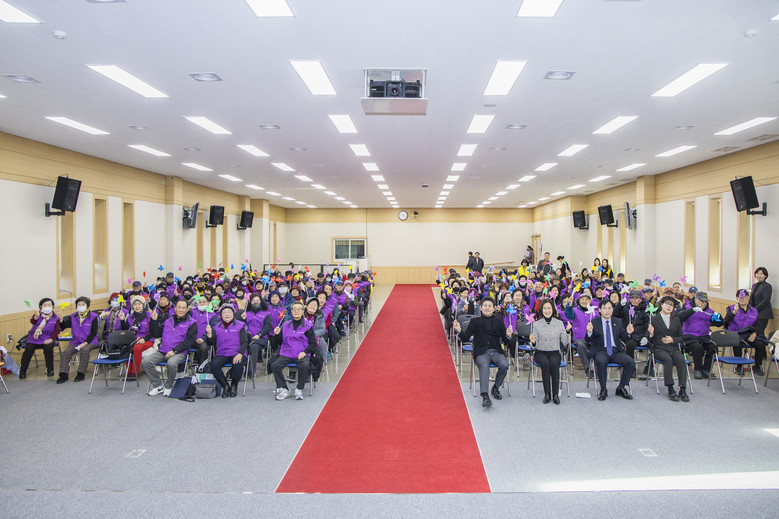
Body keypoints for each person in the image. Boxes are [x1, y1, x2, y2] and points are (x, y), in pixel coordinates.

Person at [453, 297, 513, 408]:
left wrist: (509, 335)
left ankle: (495, 388)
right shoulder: (475, 321)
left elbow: (506, 341)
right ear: (481, 308)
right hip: (481, 352)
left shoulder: (499, 323)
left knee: (504, 365)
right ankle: (485, 396)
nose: (487, 308)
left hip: (496, 351)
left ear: (494, 309)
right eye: (485, 306)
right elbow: (465, 338)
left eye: (490, 306)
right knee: (484, 366)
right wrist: (459, 330)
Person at [142, 299, 197, 396]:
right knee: (146, 362)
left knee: (171, 364)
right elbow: (156, 334)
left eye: (183, 308)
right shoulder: (168, 321)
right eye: (179, 307)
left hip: (179, 352)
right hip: (163, 351)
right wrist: (154, 321)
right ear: (175, 309)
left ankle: (168, 386)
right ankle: (158, 385)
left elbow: (189, 341)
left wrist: (174, 351)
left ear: (187, 309)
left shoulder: (192, 323)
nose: (181, 310)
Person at [584, 299, 636, 401]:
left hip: (615, 351)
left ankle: (621, 387)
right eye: (604, 308)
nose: (607, 311)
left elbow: (624, 338)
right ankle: (603, 389)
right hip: (600, 350)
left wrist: (628, 333)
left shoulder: (617, 322)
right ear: (599, 310)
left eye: (609, 308)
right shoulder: (594, 322)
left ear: (612, 310)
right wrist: (589, 332)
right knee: (601, 361)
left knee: (631, 362)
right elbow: (588, 340)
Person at [270, 300, 318, 400]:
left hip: (301, 353)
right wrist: (276, 334)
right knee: (275, 365)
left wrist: (305, 352)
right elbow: (278, 342)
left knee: (304, 365)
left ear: (303, 311)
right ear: (291, 312)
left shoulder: (307, 326)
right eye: (294, 309)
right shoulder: (285, 324)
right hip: (287, 352)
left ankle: (299, 389)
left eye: (299, 309)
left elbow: (313, 343)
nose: (296, 311)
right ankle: (284, 388)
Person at [528, 299, 570, 404]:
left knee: (554, 364)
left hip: (554, 351)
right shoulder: (537, 324)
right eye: (545, 308)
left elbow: (565, 343)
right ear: (541, 310)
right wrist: (533, 342)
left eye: (549, 308)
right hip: (540, 352)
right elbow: (534, 344)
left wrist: (567, 331)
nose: (547, 311)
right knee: (546, 364)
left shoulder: (559, 323)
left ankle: (555, 394)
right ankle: (547, 393)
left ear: (553, 309)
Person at [648, 296, 689, 402]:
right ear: (661, 305)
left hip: (673, 347)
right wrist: (651, 333)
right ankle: (670, 388)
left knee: (681, 361)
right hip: (659, 348)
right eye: (667, 304)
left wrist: (672, 339)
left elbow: (681, 337)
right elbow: (648, 339)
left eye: (671, 305)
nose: (669, 306)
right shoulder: (654, 319)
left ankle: (682, 389)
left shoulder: (676, 320)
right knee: (668, 360)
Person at [205, 305, 248, 398]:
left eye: (229, 312)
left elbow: (245, 342)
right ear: (221, 315)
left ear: (233, 314)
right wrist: (209, 334)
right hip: (222, 353)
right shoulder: (216, 326)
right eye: (224, 312)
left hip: (237, 353)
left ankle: (234, 385)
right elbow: (211, 343)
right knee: (214, 365)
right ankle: (225, 385)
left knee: (238, 364)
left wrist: (240, 354)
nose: (227, 314)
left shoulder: (240, 325)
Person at [676, 292, 722, 379]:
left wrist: (719, 318)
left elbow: (720, 324)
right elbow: (679, 317)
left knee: (713, 348)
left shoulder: (710, 311)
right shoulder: (687, 307)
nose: (703, 303)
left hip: (704, 337)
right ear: (696, 300)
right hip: (690, 337)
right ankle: (698, 369)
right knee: (698, 348)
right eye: (701, 301)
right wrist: (692, 310)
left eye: (705, 301)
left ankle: (707, 369)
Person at [724, 289, 769, 376]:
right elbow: (726, 322)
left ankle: (757, 366)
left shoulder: (754, 311)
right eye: (740, 297)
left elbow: (758, 325)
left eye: (744, 297)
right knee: (737, 344)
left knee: (760, 344)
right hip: (736, 334)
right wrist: (734, 312)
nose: (742, 299)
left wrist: (754, 333)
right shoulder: (731, 308)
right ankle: (739, 366)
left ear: (748, 297)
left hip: (749, 334)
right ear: (737, 298)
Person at [56, 296, 100, 384]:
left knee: (85, 351)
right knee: (67, 352)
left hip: (90, 341)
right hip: (76, 341)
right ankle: (63, 375)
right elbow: (63, 327)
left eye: (83, 304)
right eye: (79, 304)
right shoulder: (73, 316)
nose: (81, 306)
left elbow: (93, 332)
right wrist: (61, 321)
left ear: (87, 306)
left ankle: (80, 373)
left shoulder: (94, 317)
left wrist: (85, 343)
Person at [19, 298, 60, 379]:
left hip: (48, 337)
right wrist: (36, 317)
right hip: (35, 337)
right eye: (45, 305)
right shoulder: (37, 315)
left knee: (48, 348)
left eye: (49, 305)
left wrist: (51, 339)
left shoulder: (55, 317)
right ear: (41, 306)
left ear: (52, 306)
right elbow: (33, 322)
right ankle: (23, 370)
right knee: (29, 349)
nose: (47, 306)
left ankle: (50, 369)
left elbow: (57, 330)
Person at [126, 295, 154, 379]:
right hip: (134, 339)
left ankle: (134, 372)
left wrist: (144, 339)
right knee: (128, 347)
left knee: (137, 348)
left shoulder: (149, 316)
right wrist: (122, 320)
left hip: (147, 339)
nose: (137, 306)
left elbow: (153, 331)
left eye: (139, 304)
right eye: (135, 304)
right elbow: (127, 330)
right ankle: (128, 372)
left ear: (143, 305)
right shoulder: (130, 317)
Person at [750, 267, 773, 341]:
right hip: (754, 313)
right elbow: (751, 299)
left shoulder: (767, 286)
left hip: (763, 314)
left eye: (761, 274)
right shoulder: (754, 285)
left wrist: (755, 309)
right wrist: (750, 309)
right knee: (753, 332)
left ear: (765, 276)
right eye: (757, 273)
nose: (759, 275)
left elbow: (766, 300)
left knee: (759, 332)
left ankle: (762, 347)